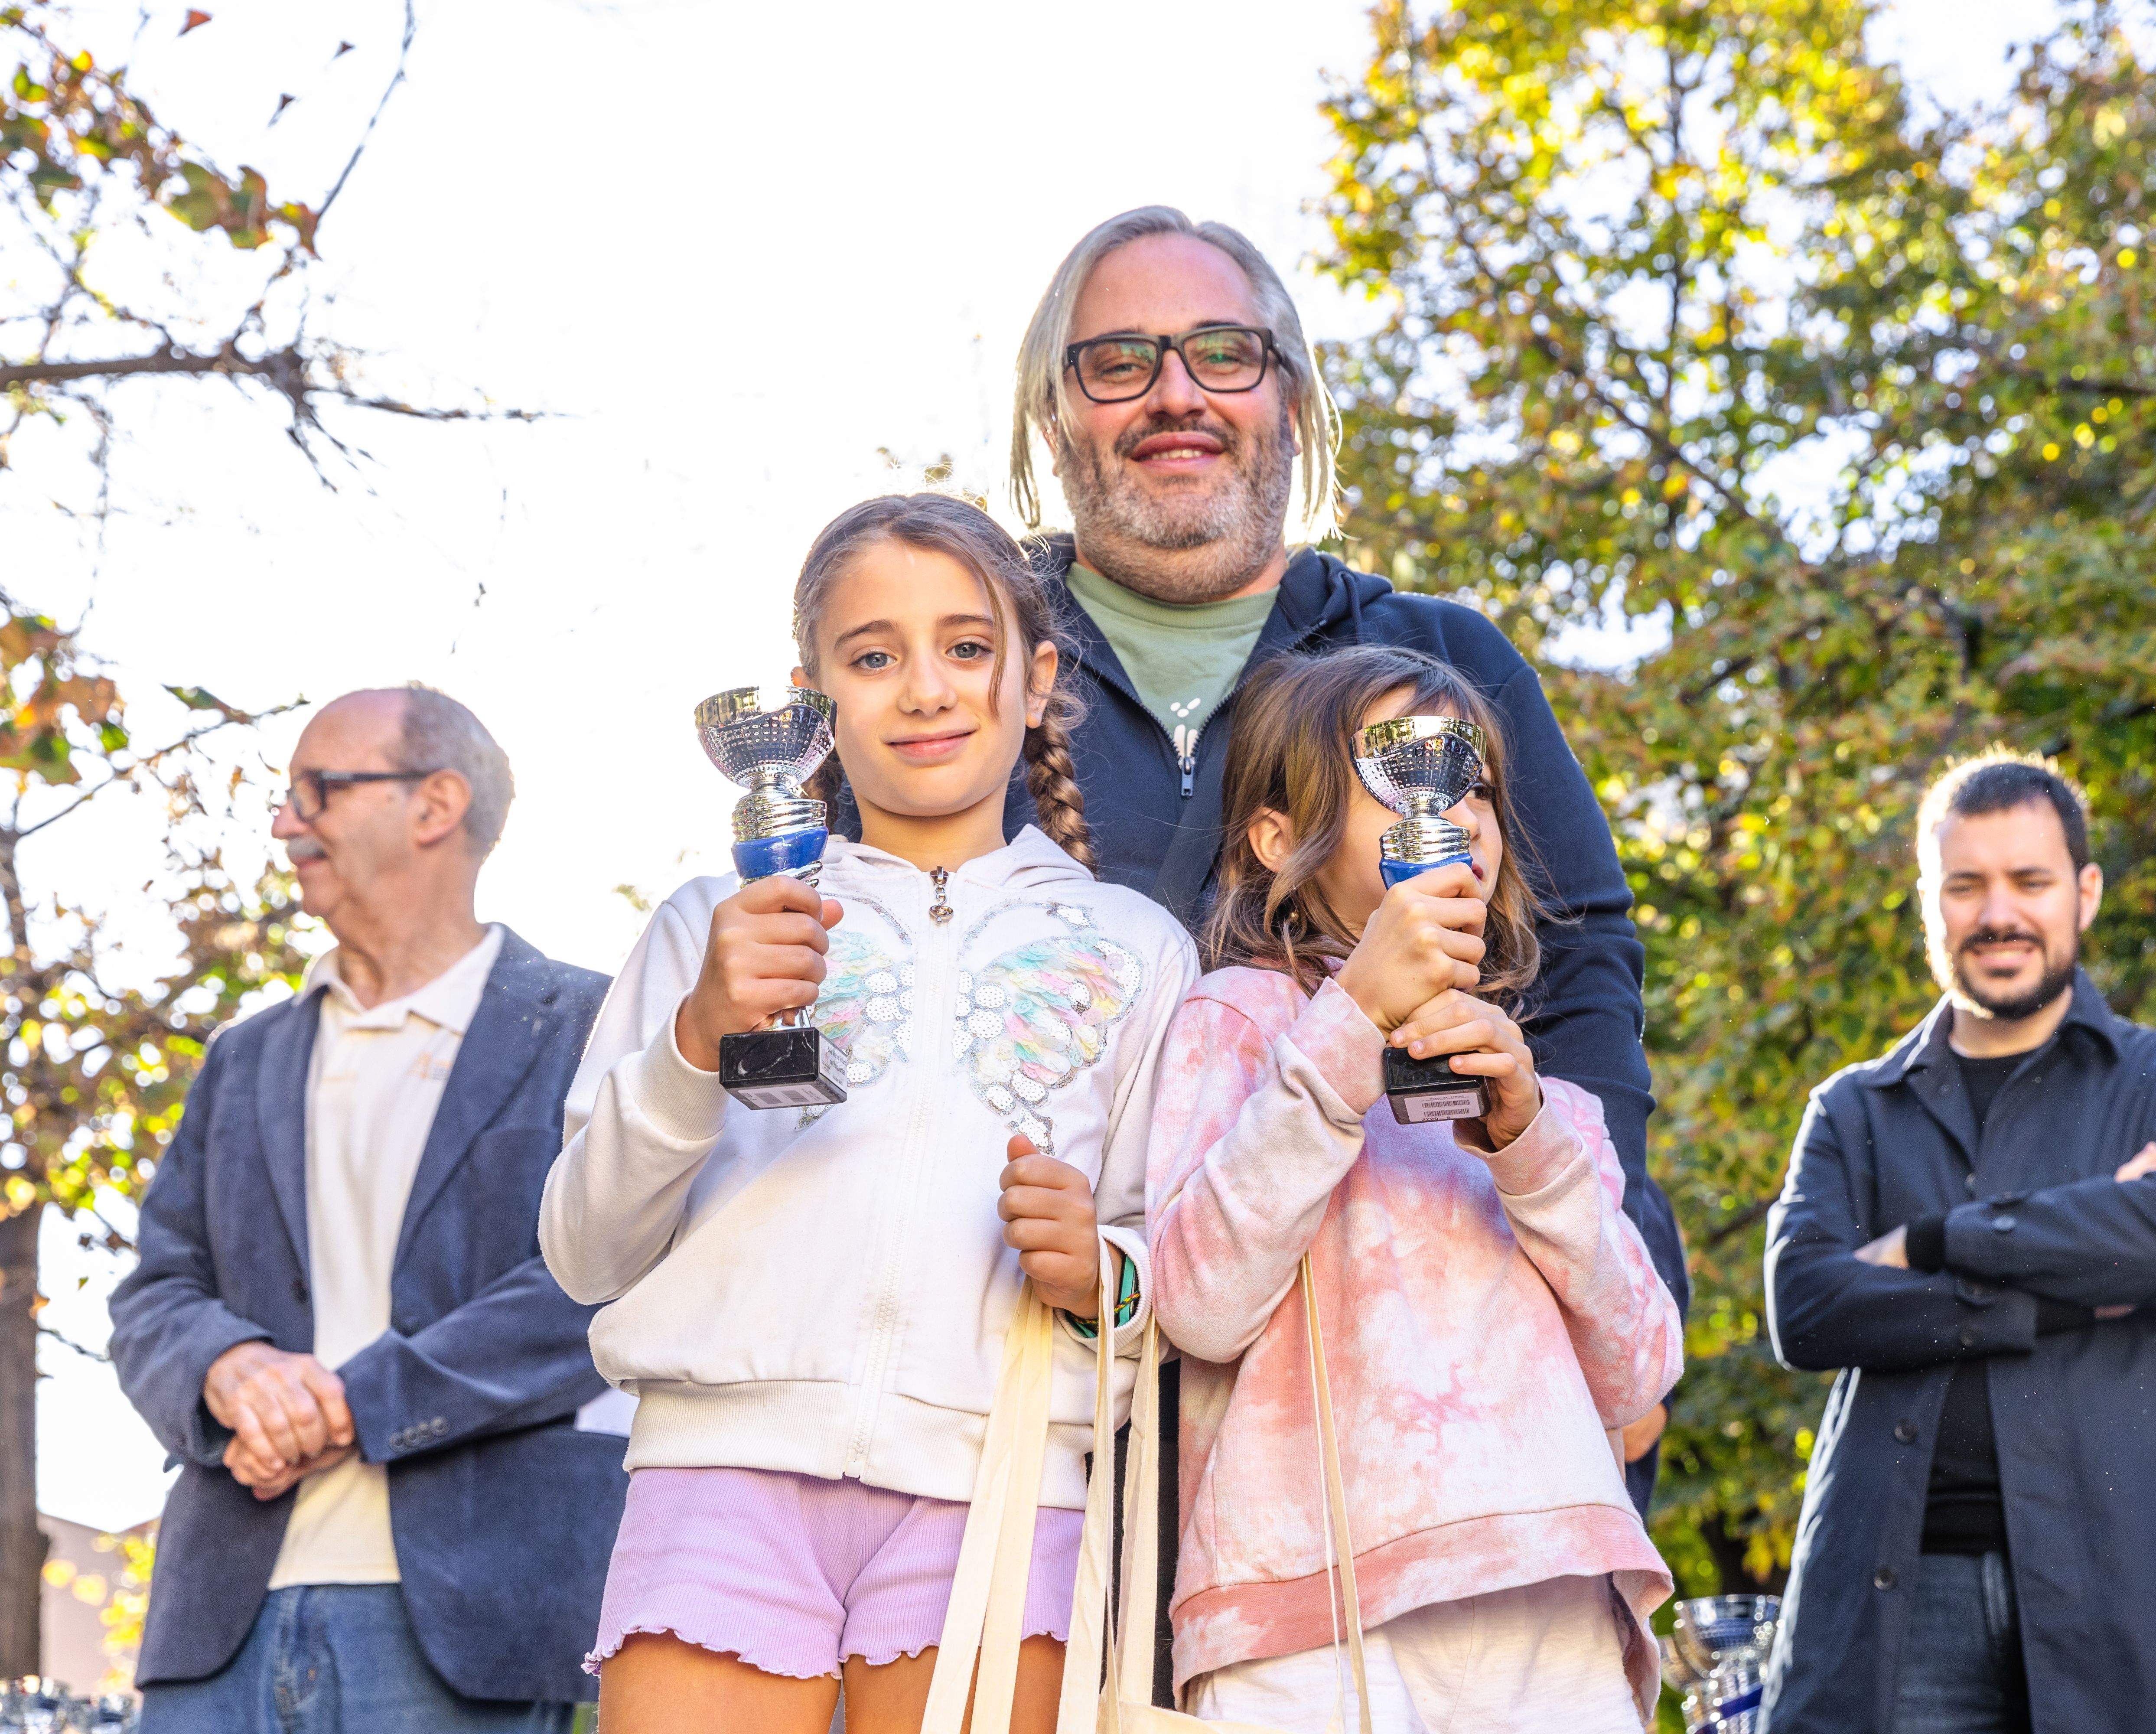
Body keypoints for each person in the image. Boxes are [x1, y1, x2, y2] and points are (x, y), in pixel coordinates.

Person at [993, 207, 1686, 1506]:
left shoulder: (1442, 660)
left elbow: (1583, 970)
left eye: (1223, 352)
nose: (1178, 393)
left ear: (1294, 399)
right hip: (1022, 1380)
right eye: (1119, 361)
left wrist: (1620, 1273)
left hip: (1398, 1426)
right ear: (1052, 412)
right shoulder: (960, 662)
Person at [541, 493, 1195, 1734]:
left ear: (1038, 678)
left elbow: (1191, 1266)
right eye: (874, 656)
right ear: (811, 703)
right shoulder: (709, 926)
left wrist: (1100, 1271)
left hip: (1006, 1485)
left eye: (966, 645)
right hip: (719, 1475)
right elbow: (583, 1251)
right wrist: (696, 1041)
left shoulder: (1141, 949)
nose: (926, 689)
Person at [1145, 645, 1679, 1733]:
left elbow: (1639, 1374)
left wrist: (1527, 1141)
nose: (1454, 810)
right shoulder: (1241, 1021)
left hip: (1551, 1593)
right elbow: (1198, 1302)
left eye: (1472, 783)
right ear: (1279, 838)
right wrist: (1348, 1031)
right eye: (1401, 774)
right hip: (1309, 1610)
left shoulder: (1545, 1092)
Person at [107, 686, 625, 1733]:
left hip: (469, 1620)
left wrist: (351, 1403)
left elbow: (603, 1279)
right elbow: (155, 1291)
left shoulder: (594, 1022)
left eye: (319, 790)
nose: (285, 822)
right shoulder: (242, 1057)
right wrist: (226, 1367)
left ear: (436, 804)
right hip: (219, 1622)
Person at [1760, 752, 2156, 1734]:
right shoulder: (1853, 1109)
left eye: (2030, 881)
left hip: (2144, 1592)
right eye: (1966, 885)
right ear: (1927, 903)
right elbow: (1806, 1307)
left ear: (2084, 893)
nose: (1998, 913)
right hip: (1903, 1601)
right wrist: (2053, 1286)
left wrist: (1933, 1242)